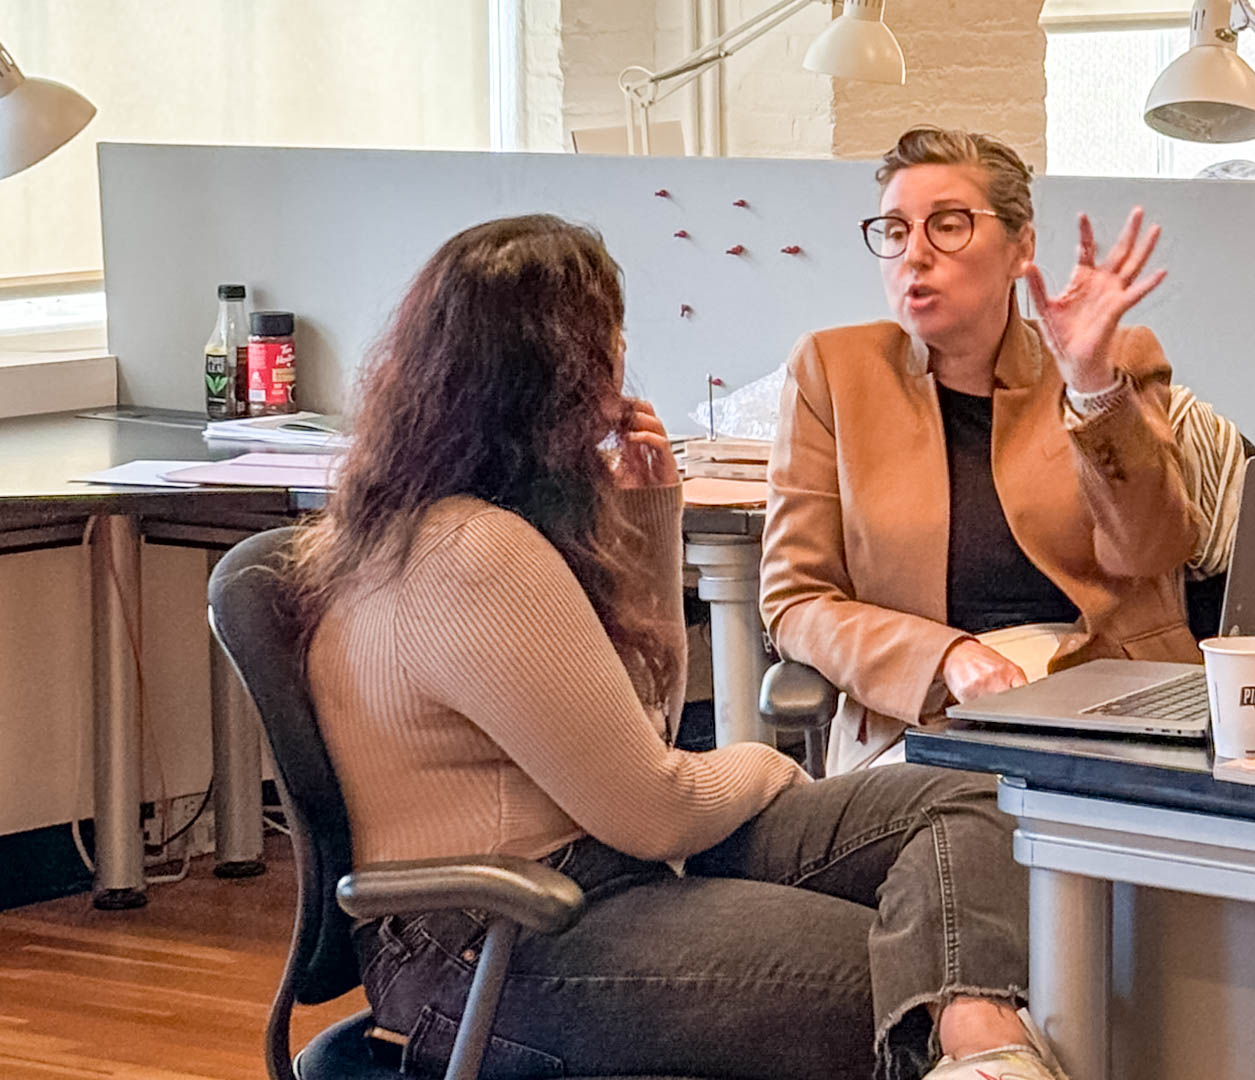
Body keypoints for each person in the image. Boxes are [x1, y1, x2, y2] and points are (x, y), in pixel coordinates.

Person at [288, 215, 1069, 1080]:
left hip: (597, 868)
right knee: (903, 972)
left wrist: (651, 527)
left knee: (986, 800)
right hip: (493, 938)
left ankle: (980, 1047)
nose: (624, 359)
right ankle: (983, 1048)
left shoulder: (469, 524)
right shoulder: (471, 554)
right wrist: (768, 767)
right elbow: (655, 805)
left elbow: (643, 729)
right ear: (559, 369)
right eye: (610, 338)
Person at [762, 127, 1201, 774]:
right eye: (895, 230)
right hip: (928, 715)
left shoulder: (1114, 357)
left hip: (1108, 705)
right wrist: (942, 657)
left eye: (948, 225)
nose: (914, 254)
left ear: (1020, 247)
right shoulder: (834, 372)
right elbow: (795, 601)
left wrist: (1091, 388)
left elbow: (1149, 550)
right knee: (969, 840)